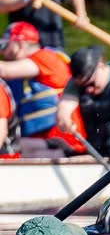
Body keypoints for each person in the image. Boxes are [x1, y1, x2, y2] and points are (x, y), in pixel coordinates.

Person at [0, 20, 86, 156]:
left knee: (11, 147)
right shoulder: (15, 80)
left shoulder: (47, 58)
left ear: (20, 44)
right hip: (37, 143)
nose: (2, 52)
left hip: (66, 143)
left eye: (4, 45)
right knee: (11, 147)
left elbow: (4, 70)